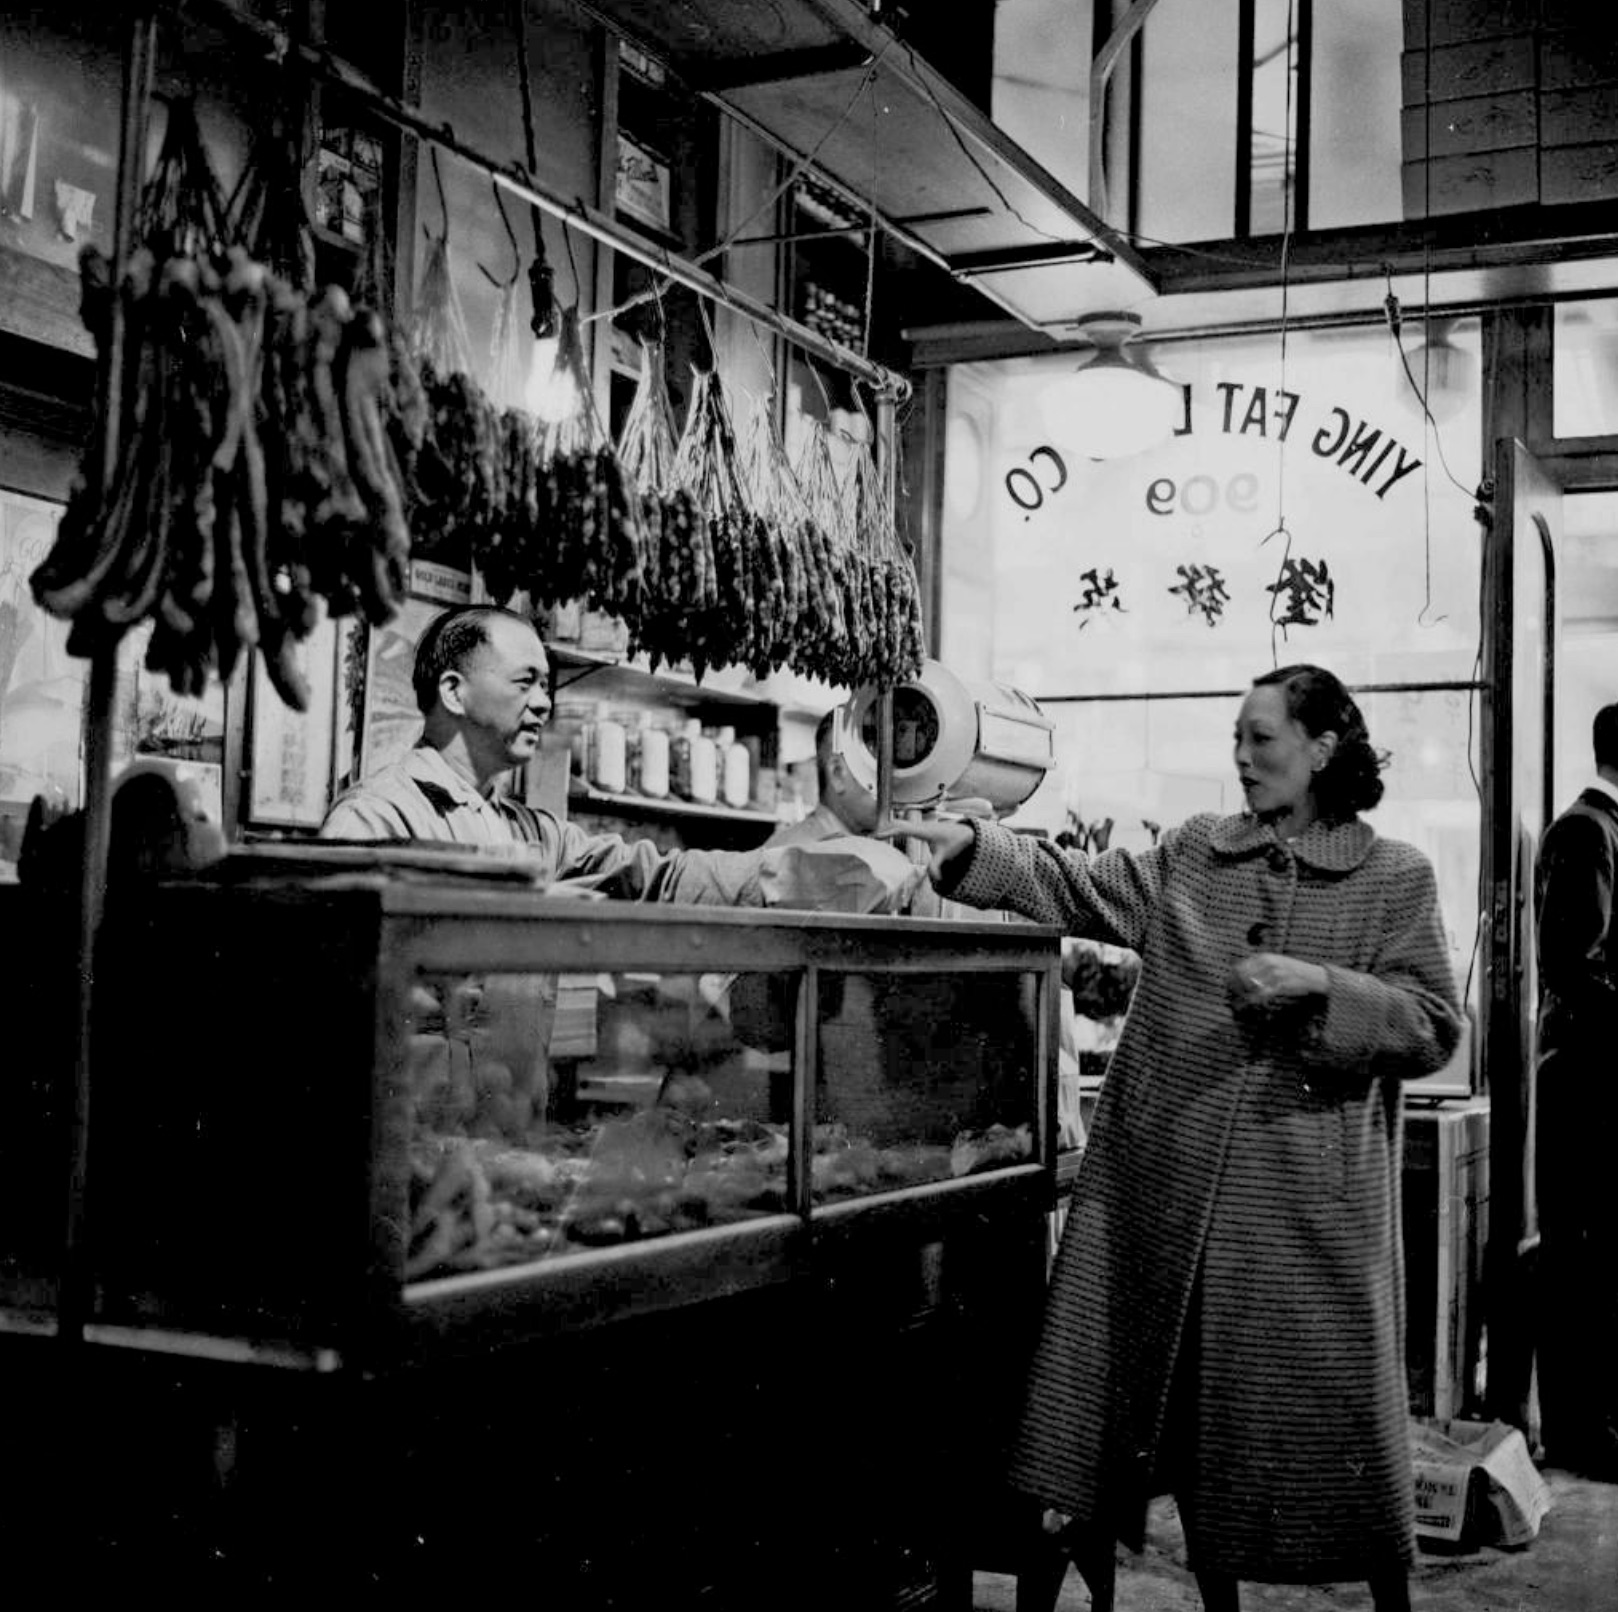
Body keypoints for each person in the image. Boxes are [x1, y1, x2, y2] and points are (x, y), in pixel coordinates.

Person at [890, 664, 1462, 1612]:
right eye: (1235, 738)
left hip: (1307, 1224)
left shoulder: (1392, 876)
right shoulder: (1198, 855)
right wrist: (967, 849)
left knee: (1341, 1455)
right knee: (1195, 1448)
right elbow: (1076, 885)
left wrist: (1323, 987)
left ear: (1324, 748)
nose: (1241, 757)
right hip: (1169, 1210)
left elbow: (1436, 1025)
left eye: (1263, 739)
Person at [1531, 701, 1618, 1480]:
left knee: (1598, 1255)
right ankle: (1579, 1434)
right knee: (1581, 1257)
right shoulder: (1588, 834)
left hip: (1598, 1075)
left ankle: (1597, 1425)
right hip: (1584, 1076)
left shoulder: (1600, 834)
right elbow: (1574, 965)